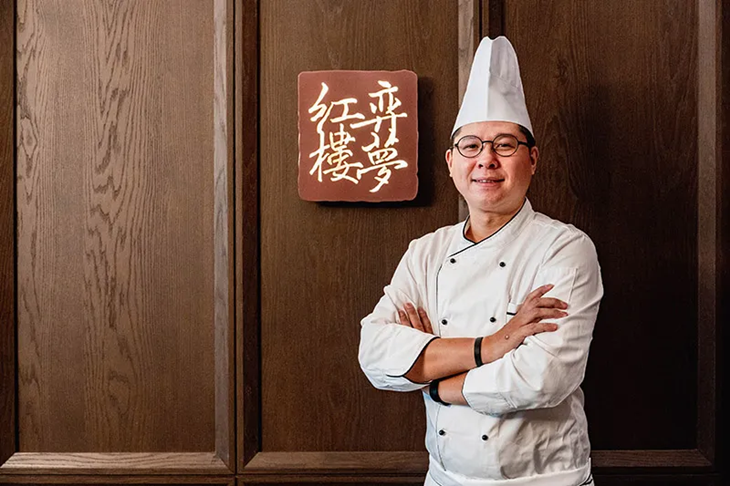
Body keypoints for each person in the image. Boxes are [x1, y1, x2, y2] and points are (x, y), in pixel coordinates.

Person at [358, 36, 602, 486]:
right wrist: (491, 346)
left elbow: (543, 376)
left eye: (505, 145)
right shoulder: (425, 252)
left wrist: (435, 380)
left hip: (545, 482)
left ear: (532, 159)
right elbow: (375, 354)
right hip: (444, 478)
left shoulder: (565, 248)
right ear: (451, 162)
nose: (486, 160)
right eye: (471, 146)